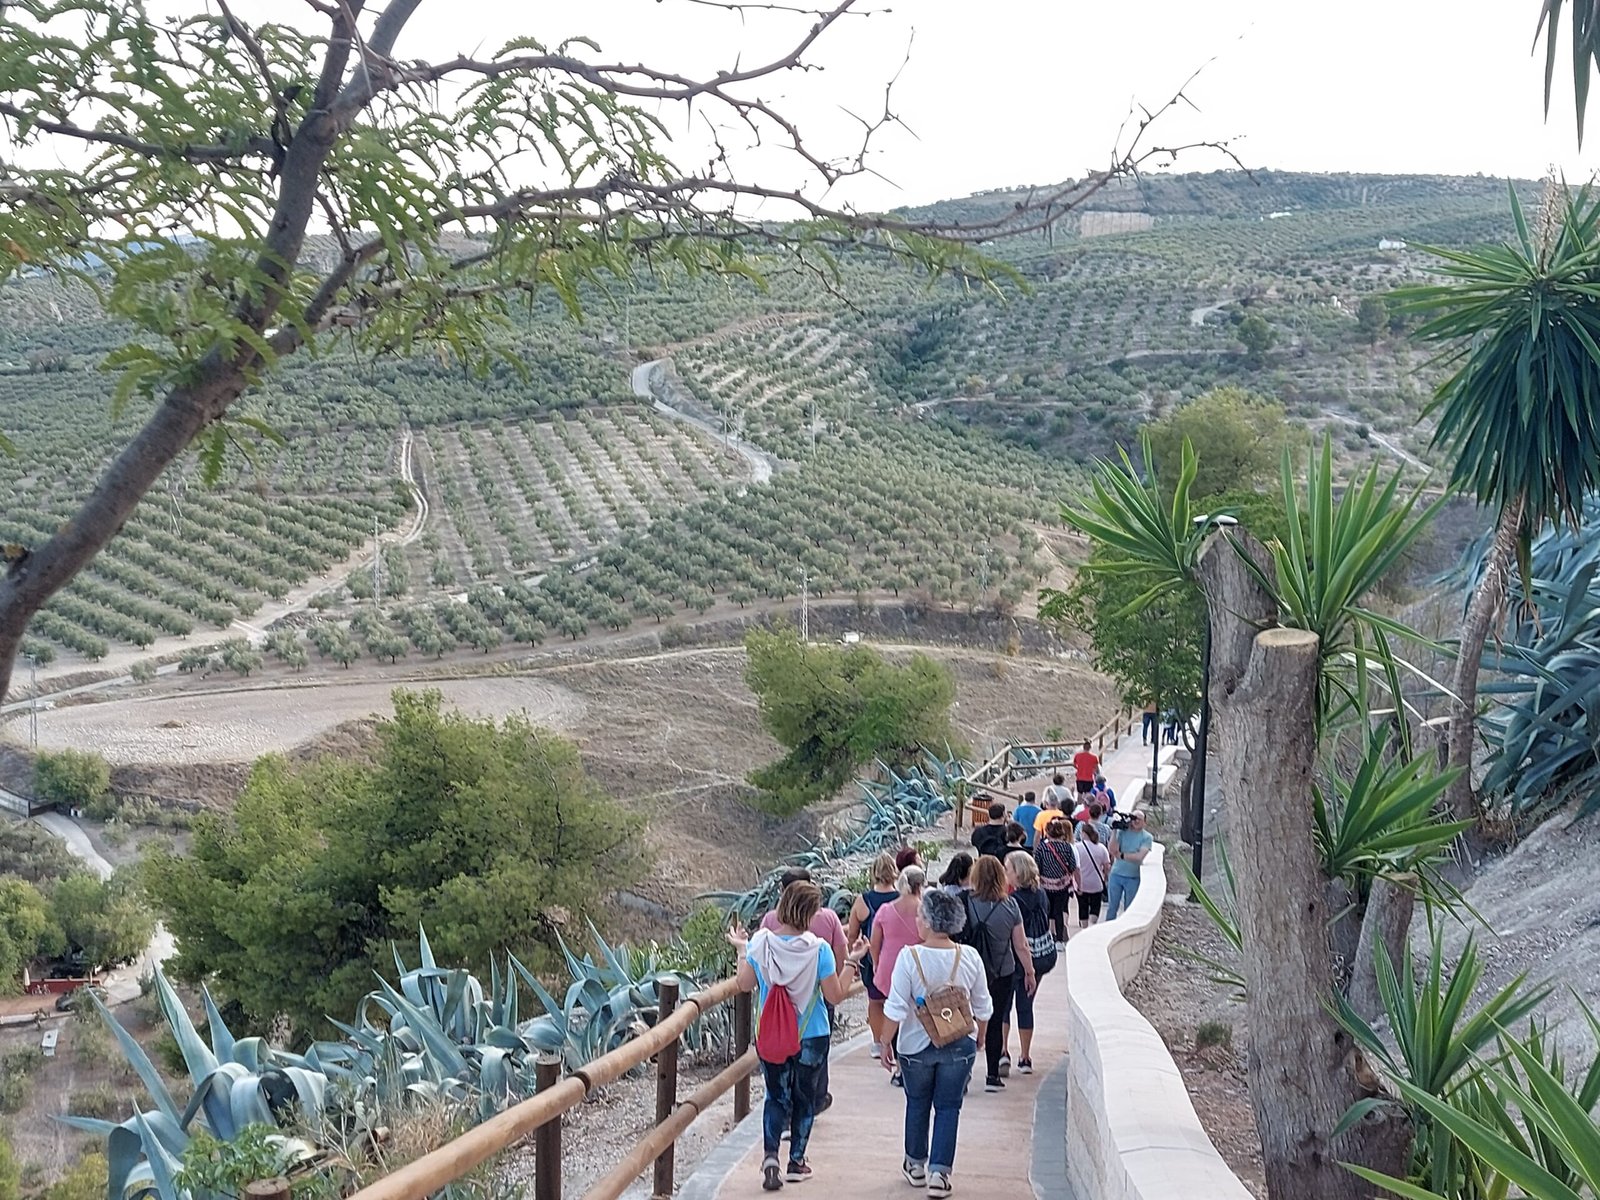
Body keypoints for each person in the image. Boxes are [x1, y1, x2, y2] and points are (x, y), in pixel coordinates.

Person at [731, 880, 867, 1191]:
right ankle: (796, 1161)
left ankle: (770, 1158)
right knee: (805, 1098)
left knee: (775, 1096)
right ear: (811, 913)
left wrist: (742, 950)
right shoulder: (819, 949)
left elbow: (744, 983)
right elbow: (833, 995)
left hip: (772, 1034)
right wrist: (851, 962)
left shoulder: (761, 942)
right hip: (812, 1033)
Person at [880, 888, 993, 1200]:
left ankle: (915, 1164)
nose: (917, 920)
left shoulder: (909, 957)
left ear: (928, 922)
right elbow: (983, 1005)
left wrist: (884, 1042)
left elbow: (895, 1007)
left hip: (915, 1046)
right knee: (948, 1106)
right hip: (959, 1043)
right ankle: (940, 1174)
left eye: (919, 916)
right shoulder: (969, 957)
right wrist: (980, 1035)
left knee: (917, 1102)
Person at [759, 867, 848, 1114]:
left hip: (777, 1002)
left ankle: (783, 1110)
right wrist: (837, 978)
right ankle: (815, 1099)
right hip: (816, 998)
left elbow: (759, 962)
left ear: (782, 892)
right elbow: (841, 951)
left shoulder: (769, 921)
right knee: (817, 1051)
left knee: (779, 1054)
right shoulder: (828, 918)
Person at [963, 855, 1034, 1090]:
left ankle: (962, 1073)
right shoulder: (1010, 906)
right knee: (994, 1020)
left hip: (968, 971)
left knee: (964, 1021)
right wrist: (1029, 971)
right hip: (1001, 970)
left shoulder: (965, 902)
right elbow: (1021, 944)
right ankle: (992, 1075)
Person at [1000, 851, 1057, 1075]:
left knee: (1005, 1006)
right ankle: (1025, 1056)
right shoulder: (1041, 894)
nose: (1005, 873)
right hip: (1042, 954)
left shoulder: (1013, 901)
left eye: (1008, 869)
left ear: (1018, 872)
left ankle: (1003, 1051)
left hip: (1017, 959)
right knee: (1026, 1005)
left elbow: (1018, 940)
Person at [870, 865, 927, 1088]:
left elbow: (875, 942)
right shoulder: (924, 909)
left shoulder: (885, 909)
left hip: (890, 965)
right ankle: (915, 1062)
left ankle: (900, 1068)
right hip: (918, 965)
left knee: (894, 1011)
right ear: (920, 885)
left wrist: (876, 963)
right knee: (916, 1017)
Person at [847, 851, 901, 1061]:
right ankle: (896, 1040)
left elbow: (852, 932)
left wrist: (856, 956)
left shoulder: (863, 901)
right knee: (897, 1000)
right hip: (898, 957)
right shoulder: (901, 899)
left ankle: (878, 1042)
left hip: (872, 958)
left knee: (875, 1001)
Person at [1033, 816, 1079, 944]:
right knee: (1058, 912)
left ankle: (1047, 937)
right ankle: (1059, 939)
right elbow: (1072, 866)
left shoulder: (1042, 848)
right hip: (1062, 885)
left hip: (1045, 884)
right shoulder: (1067, 847)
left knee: (1046, 911)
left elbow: (1037, 867)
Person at [1105, 810, 1153, 920]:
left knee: (1129, 908)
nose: (1135, 821)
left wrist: (1121, 855)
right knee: (1112, 907)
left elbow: (1139, 857)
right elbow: (1112, 850)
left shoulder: (1147, 837)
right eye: (1133, 818)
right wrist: (1115, 831)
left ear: (1144, 822)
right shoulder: (1122, 832)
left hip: (1133, 877)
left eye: (1139, 819)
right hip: (1116, 874)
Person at [1074, 823, 1111, 927]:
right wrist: (1105, 876)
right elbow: (1107, 866)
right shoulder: (1101, 848)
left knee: (1082, 906)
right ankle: (1093, 924)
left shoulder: (1077, 847)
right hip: (1096, 883)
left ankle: (1084, 928)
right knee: (1095, 906)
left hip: (1081, 883)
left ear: (1084, 834)